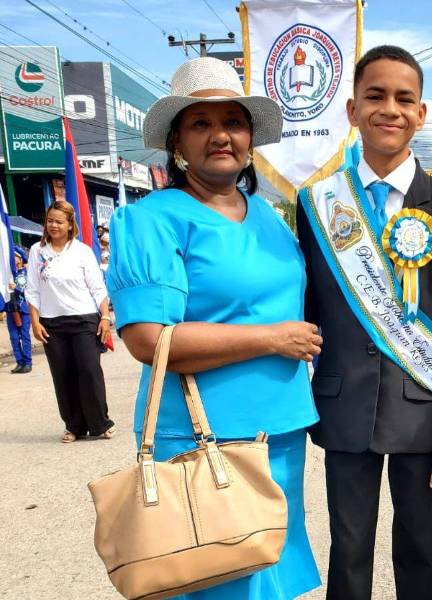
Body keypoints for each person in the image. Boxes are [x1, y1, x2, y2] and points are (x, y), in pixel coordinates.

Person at [106, 57, 322, 600]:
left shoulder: (269, 215)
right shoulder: (153, 218)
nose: (220, 135)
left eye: (233, 121)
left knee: (269, 579)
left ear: (250, 137)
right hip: (206, 438)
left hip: (280, 433)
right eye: (201, 123)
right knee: (218, 585)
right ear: (177, 142)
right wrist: (271, 338)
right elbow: (148, 340)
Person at [296, 45, 432, 600]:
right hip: (343, 404)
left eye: (405, 99)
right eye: (375, 96)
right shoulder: (316, 203)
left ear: (421, 113)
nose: (390, 109)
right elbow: (305, 308)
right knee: (347, 551)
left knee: (419, 553)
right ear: (352, 110)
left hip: (423, 413)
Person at [26, 200, 115, 443]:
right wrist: (35, 322)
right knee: (63, 375)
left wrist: (105, 317)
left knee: (89, 370)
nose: (53, 225)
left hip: (84, 320)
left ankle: (100, 423)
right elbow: (32, 290)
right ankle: (74, 426)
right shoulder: (37, 251)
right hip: (52, 324)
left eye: (59, 221)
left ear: (69, 225)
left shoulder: (82, 251)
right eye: (50, 221)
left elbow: (98, 288)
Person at [5, 246, 33, 373]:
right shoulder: (8, 274)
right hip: (11, 308)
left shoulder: (26, 272)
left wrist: (16, 287)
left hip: (23, 308)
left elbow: (26, 290)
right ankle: (19, 362)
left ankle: (27, 362)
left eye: (15, 256)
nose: (13, 259)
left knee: (25, 336)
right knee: (14, 337)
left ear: (21, 259)